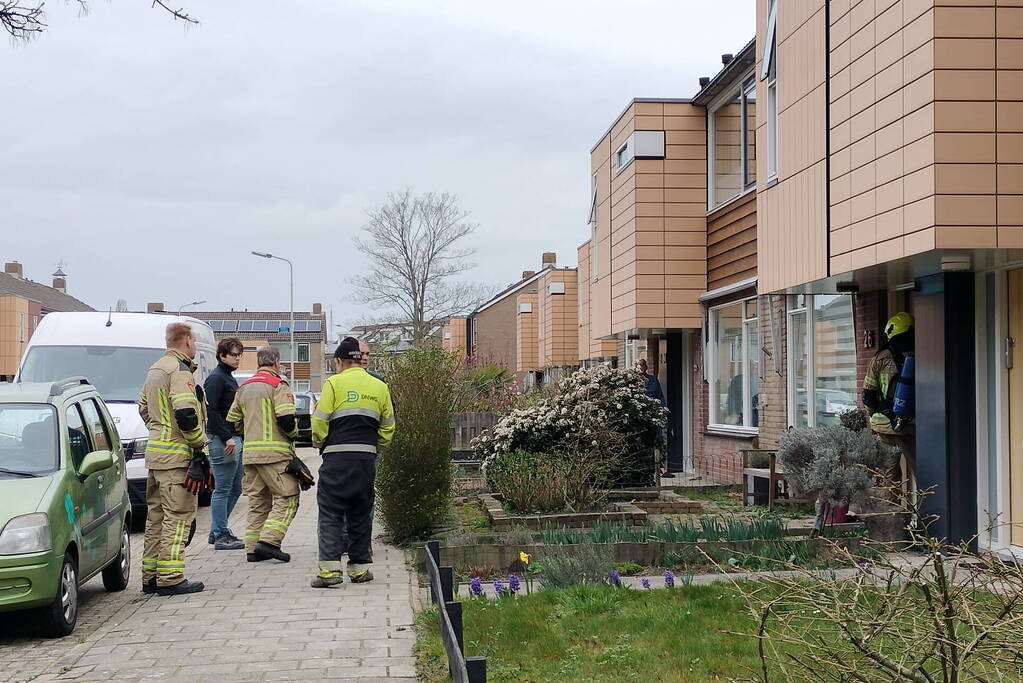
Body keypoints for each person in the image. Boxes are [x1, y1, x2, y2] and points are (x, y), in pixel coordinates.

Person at [310, 337, 394, 587]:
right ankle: (359, 570)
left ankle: (329, 573)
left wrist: (319, 442)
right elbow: (388, 427)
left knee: (330, 512)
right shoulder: (379, 386)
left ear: (340, 361)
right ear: (360, 359)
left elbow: (319, 421)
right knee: (360, 512)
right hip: (366, 460)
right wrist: (375, 446)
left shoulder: (333, 384)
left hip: (336, 458)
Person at [138, 322, 212, 596]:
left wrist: (160, 430)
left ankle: (150, 576)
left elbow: (144, 408)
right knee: (178, 516)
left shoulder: (155, 369)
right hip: (177, 459)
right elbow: (186, 414)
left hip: (156, 456)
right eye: (193, 341)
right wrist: (198, 446)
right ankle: (170, 576)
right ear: (188, 341)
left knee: (156, 518)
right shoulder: (180, 371)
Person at [227, 346, 303, 563]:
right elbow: (287, 419)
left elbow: (233, 421)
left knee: (258, 502)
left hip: (251, 455)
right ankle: (269, 542)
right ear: (277, 362)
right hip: (275, 455)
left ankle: (252, 549)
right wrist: (294, 434)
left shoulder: (244, 388)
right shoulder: (278, 385)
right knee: (288, 498)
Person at [862, 312, 916, 491]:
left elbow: (867, 396)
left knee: (889, 478)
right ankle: (928, 516)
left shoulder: (880, 357)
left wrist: (877, 414)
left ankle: (893, 517)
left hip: (885, 426)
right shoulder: (922, 351)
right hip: (912, 425)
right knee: (925, 474)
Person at [203, 337, 245, 550]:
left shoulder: (228, 377)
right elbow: (211, 411)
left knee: (236, 487)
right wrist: (226, 436)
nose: (238, 359)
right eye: (234, 355)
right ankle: (220, 533)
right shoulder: (217, 379)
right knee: (223, 489)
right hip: (223, 441)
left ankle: (218, 529)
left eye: (239, 355)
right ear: (222, 356)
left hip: (232, 438)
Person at [636, 358, 672, 480]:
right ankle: (645, 468)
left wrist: (662, 413)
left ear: (646, 367)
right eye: (638, 366)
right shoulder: (632, 381)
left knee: (658, 440)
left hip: (653, 417)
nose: (640, 368)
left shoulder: (653, 380)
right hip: (639, 418)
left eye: (642, 366)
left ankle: (662, 468)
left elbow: (660, 396)